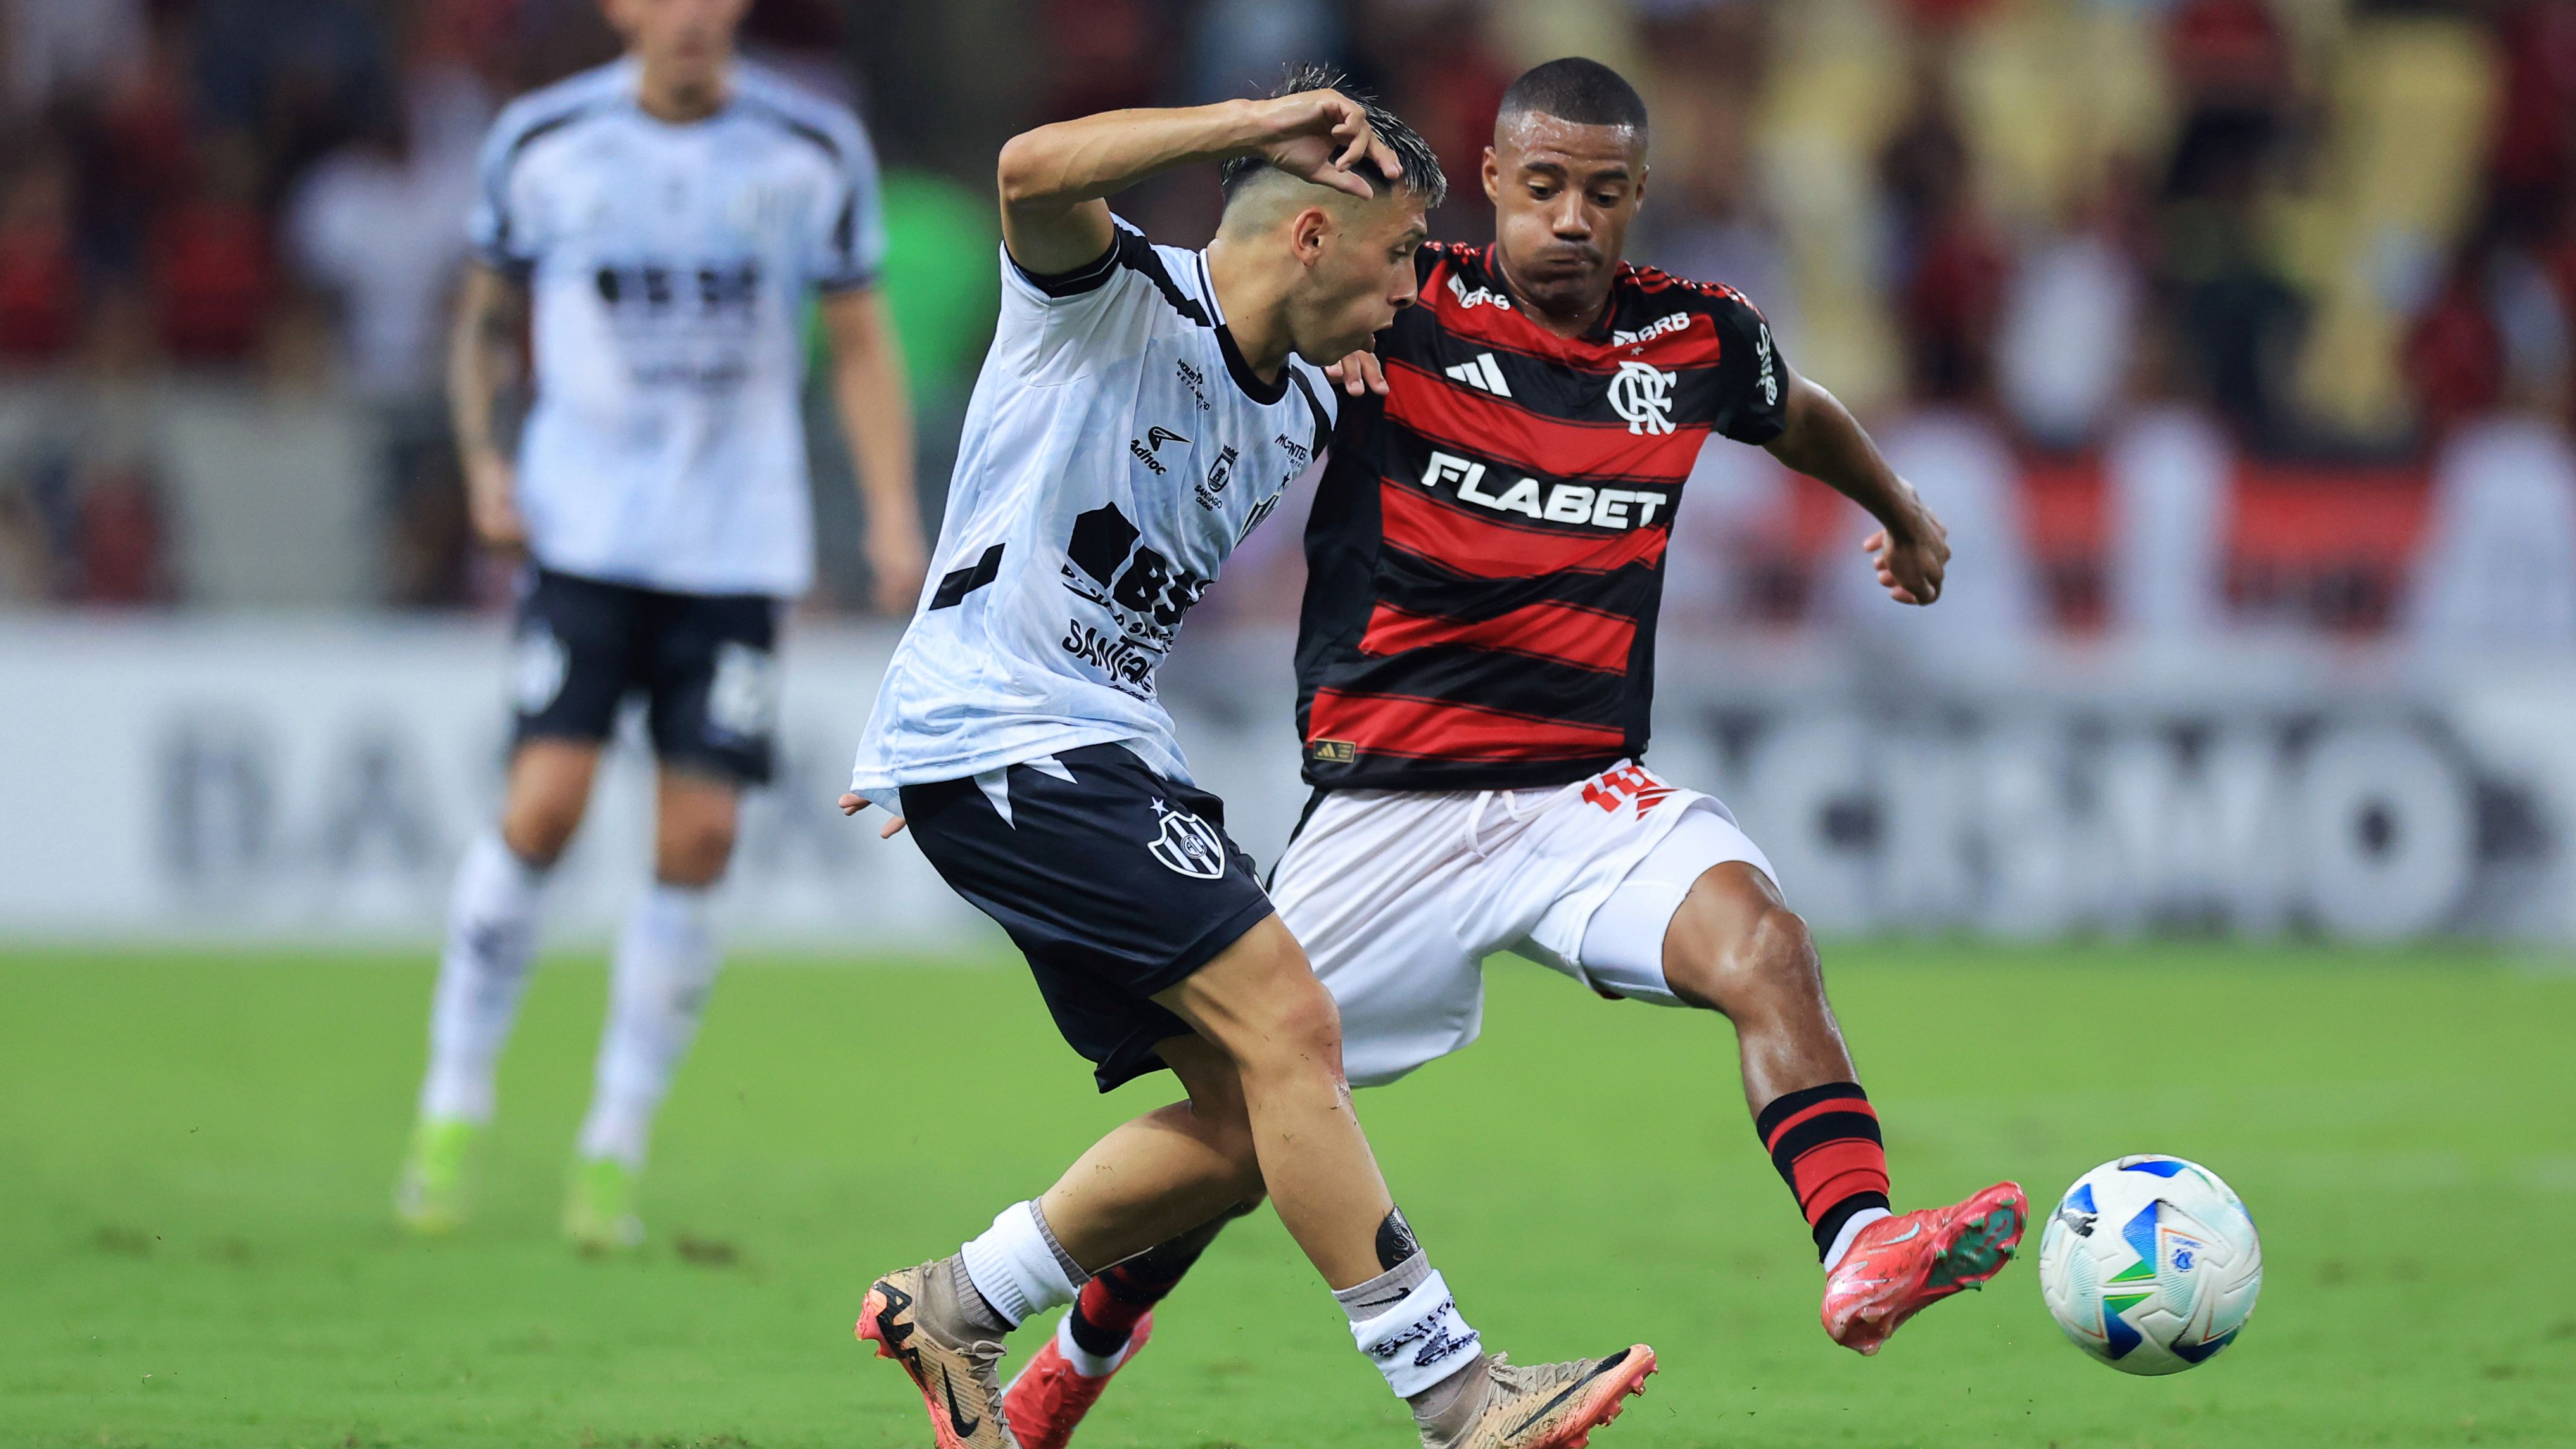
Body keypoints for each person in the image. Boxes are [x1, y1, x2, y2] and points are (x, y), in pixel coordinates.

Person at [999, 58, 2028, 1449]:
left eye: (1604, 193)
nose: (1572, 220)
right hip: (1389, 806)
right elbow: (1244, 323)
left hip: (1583, 794)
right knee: (1244, 1134)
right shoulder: (1396, 301)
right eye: (1543, 188)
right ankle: (1079, 1349)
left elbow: (1801, 414)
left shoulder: (1697, 339)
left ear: (1640, 196)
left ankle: (1858, 1242)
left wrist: (1899, 512)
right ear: (1491, 181)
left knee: (1767, 945)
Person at [838, 68, 1657, 1449]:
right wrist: (1252, 127)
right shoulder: (1109, 296)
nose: (1408, 291)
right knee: (1295, 1030)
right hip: (1015, 735)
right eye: (1398, 256)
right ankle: (1459, 1397)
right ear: (1313, 233)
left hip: (1078, 744)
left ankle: (958, 1304)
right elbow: (1029, 168)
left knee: (1245, 1124)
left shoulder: (1318, 396)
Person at [394, 0, 924, 1251]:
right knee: (544, 807)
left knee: (700, 835)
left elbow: (858, 341)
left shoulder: (812, 149)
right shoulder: (542, 142)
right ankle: (452, 1103)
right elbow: (485, 320)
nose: (687, 14)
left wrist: (893, 511)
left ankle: (612, 1148)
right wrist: (485, 462)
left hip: (734, 543)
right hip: (583, 534)